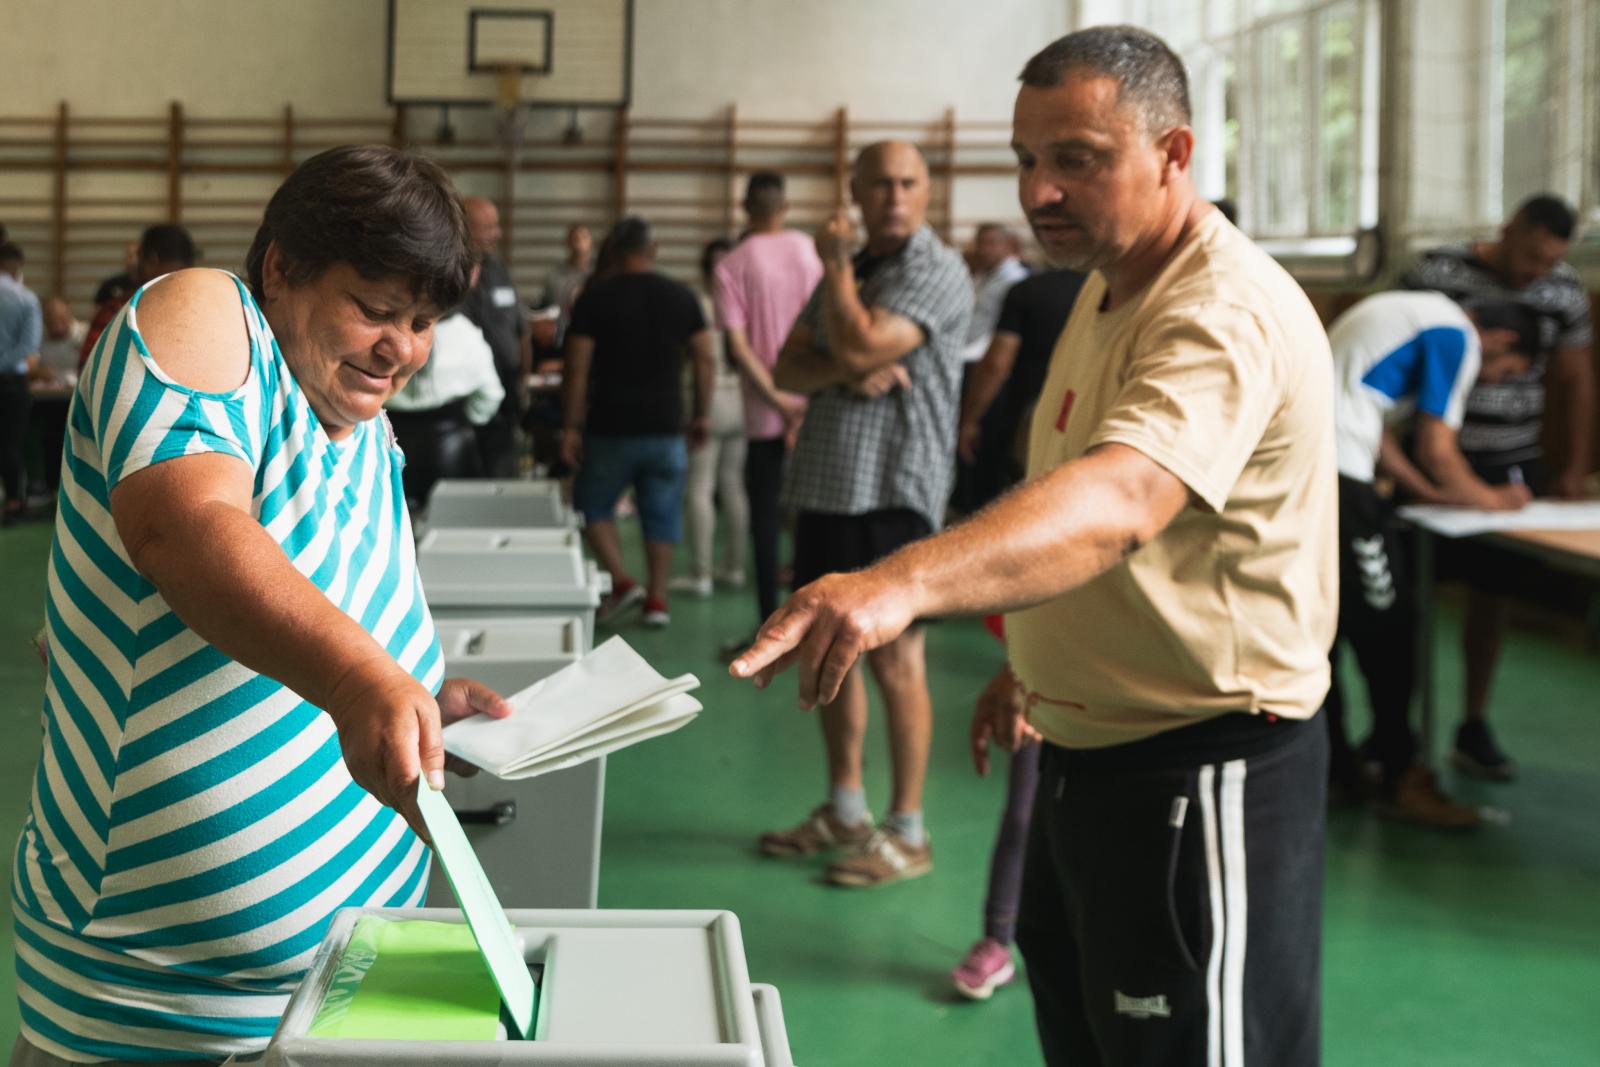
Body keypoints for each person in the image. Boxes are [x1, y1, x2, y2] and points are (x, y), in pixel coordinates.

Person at [734, 27, 1336, 1065]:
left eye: (1077, 159)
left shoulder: (1218, 309)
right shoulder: (1109, 282)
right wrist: (1035, 658)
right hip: (1088, 753)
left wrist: (898, 584)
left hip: (1198, 770)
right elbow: (1074, 489)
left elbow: (1124, 498)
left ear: (1173, 153)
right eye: (1025, 159)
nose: (1039, 191)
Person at [8, 144, 514, 1066]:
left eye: (423, 320)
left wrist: (418, 698)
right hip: (154, 1010)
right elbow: (186, 526)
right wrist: (362, 675)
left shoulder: (357, 423)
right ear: (281, 268)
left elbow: (320, 617)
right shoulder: (203, 311)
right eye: (374, 308)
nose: (401, 346)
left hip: (354, 981)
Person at [758, 141, 971, 888]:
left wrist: (844, 309)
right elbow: (788, 366)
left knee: (896, 660)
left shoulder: (932, 269)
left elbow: (863, 338)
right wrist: (851, 359)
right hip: (827, 484)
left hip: (893, 489)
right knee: (830, 654)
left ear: (927, 191)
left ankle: (907, 829)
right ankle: (846, 808)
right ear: (856, 189)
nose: (892, 195)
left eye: (907, 182)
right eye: (878, 183)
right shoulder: (858, 274)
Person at [1403, 194, 1595, 780]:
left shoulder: (1562, 293)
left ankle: (1472, 721)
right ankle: (1402, 733)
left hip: (1511, 462)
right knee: (1411, 596)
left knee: (1494, 594)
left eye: (1548, 263)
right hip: (1433, 457)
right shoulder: (1436, 274)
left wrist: (1574, 467)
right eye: (1530, 257)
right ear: (1509, 228)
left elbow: (1576, 380)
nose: (1535, 273)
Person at [1326, 290, 1535, 828]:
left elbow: (1379, 435)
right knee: (1391, 629)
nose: (1492, 382)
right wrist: (1492, 501)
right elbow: (1436, 446)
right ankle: (1401, 775)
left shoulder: (1412, 311)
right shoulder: (1455, 334)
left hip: (1320, 464)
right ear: (1503, 341)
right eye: (1505, 371)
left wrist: (1432, 496)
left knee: (1327, 624)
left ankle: (1338, 769)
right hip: (1337, 471)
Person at [948, 264, 1084, 1000]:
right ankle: (998, 935)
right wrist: (1019, 670)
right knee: (1027, 802)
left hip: (1138, 688)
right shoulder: (1046, 459)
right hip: (1051, 666)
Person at [561, 217, 714, 629]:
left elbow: (576, 367)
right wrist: (701, 412)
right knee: (662, 513)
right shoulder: (682, 296)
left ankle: (623, 579)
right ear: (654, 248)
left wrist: (571, 425)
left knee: (592, 504)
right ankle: (658, 601)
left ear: (614, 250)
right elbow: (705, 357)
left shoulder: (595, 297)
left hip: (610, 426)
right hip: (666, 426)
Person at [712, 171, 825, 651]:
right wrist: (803, 399)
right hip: (818, 407)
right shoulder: (810, 252)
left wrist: (777, 400)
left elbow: (738, 348)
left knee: (765, 521)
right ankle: (818, 626)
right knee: (815, 520)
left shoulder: (731, 264)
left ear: (745, 208)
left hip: (764, 414)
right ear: (785, 206)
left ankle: (769, 632)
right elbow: (830, 326)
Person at [957, 266, 1087, 509]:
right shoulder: (1112, 291)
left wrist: (970, 420)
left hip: (1030, 415)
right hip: (1089, 413)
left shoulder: (1029, 291)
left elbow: (997, 364)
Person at [673, 237, 750, 599]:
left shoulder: (699, 303)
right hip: (745, 398)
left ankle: (701, 573)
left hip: (709, 398)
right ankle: (734, 568)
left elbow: (698, 360)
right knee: (733, 484)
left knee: (700, 485)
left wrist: (698, 412)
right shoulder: (745, 303)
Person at [386, 286, 506, 511]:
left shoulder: (386, 328)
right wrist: (468, 420)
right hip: (451, 447)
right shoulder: (466, 333)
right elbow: (491, 394)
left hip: (389, 449)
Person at [459, 196, 531, 477]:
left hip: (505, 397)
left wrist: (524, 375)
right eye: (488, 227)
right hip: (465, 404)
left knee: (502, 478)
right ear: (463, 228)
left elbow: (519, 329)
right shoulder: (446, 272)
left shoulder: (500, 270)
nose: (497, 234)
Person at [79, 224, 197, 368]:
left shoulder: (119, 310)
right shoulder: (208, 311)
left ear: (152, 261)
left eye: (138, 258)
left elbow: (87, 368)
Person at [26, 297, 86, 498]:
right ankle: (40, 484)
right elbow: (29, 367)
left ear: (69, 315)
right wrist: (37, 372)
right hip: (46, 399)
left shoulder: (85, 334)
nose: (57, 326)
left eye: (61, 320)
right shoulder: (38, 338)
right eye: (51, 322)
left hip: (79, 399)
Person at [0, 241, 42, 525]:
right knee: (12, 444)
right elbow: (30, 347)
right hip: (10, 382)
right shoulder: (26, 299)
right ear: (17, 266)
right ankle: (14, 502)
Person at [960, 223, 1030, 364]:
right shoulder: (983, 274)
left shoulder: (1015, 279)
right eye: (980, 243)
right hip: (970, 345)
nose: (984, 250)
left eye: (992, 243)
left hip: (986, 354)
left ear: (1006, 246)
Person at [542, 222, 593, 346]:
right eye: (575, 238)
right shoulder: (554, 276)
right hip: (562, 339)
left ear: (590, 242)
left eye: (584, 238)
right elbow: (547, 309)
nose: (579, 243)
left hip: (592, 339)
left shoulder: (599, 275)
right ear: (567, 242)